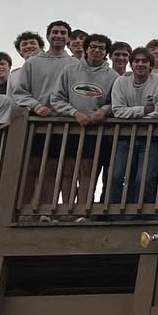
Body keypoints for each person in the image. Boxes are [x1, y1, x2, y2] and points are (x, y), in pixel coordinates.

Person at [10, 21, 77, 213]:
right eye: (54, 32)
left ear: (68, 38)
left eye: (63, 33)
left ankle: (45, 212)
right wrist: (37, 106)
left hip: (63, 123)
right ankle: (23, 210)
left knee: (53, 169)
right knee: (30, 168)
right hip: (36, 123)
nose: (58, 36)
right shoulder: (33, 62)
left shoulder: (74, 64)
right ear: (47, 37)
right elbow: (20, 93)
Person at [50, 33, 119, 220]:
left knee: (88, 172)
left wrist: (103, 111)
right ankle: (65, 212)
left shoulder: (113, 76)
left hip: (95, 130)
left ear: (106, 53)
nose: (97, 50)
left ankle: (82, 212)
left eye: (101, 48)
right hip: (70, 128)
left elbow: (116, 102)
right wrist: (74, 113)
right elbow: (56, 98)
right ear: (86, 48)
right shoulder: (69, 70)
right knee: (68, 171)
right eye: (93, 46)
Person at [109, 48, 158, 220]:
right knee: (115, 176)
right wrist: (143, 110)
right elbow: (117, 111)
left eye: (144, 61)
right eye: (136, 61)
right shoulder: (121, 82)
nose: (140, 64)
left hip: (151, 138)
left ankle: (142, 217)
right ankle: (115, 216)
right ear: (131, 64)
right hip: (124, 137)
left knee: (143, 179)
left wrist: (132, 115)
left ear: (151, 65)